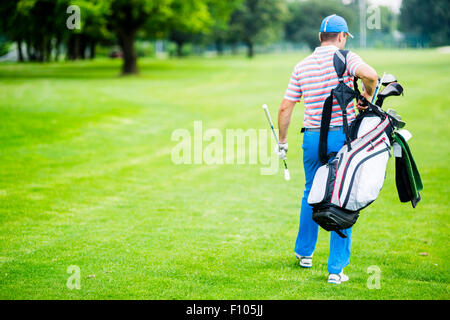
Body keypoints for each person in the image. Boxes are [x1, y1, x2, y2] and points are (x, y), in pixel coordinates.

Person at [276, 14, 379, 284]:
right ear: (342, 36)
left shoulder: (301, 66)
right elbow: (371, 75)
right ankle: (336, 270)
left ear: (320, 37)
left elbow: (286, 106)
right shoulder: (347, 57)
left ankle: (304, 254)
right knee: (342, 197)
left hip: (311, 139)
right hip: (340, 138)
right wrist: (367, 97)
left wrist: (282, 142)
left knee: (311, 192)